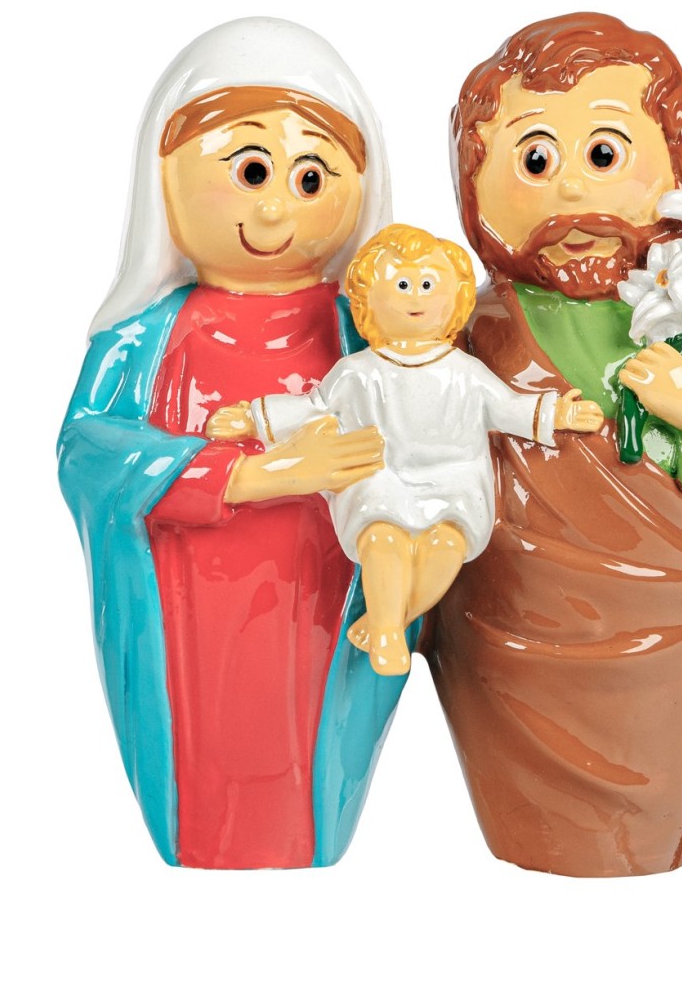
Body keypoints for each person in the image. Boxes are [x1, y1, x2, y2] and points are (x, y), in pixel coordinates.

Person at [428, 12, 682, 877]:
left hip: (675, 644)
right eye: (534, 162)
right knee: (525, 818)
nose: (571, 191)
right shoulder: (470, 329)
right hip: (507, 633)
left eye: (604, 155)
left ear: (680, 168)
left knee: (653, 810)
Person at [58, 17, 407, 870]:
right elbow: (87, 449)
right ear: (165, 179)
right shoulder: (141, 338)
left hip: (325, 597)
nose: (276, 207)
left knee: (311, 754)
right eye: (250, 170)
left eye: (311, 175)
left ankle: (312, 837)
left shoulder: (372, 332)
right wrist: (251, 475)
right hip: (185, 610)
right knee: (204, 755)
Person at [207, 224, 603, 675]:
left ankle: (387, 622)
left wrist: (559, 414)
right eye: (401, 285)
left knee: (446, 547)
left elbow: (509, 408)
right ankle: (388, 631)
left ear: (456, 298)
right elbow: (312, 408)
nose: (416, 296)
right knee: (381, 538)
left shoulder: (465, 372)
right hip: (380, 474)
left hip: (454, 477)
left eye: (428, 285)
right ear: (367, 302)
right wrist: (252, 418)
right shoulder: (357, 373)